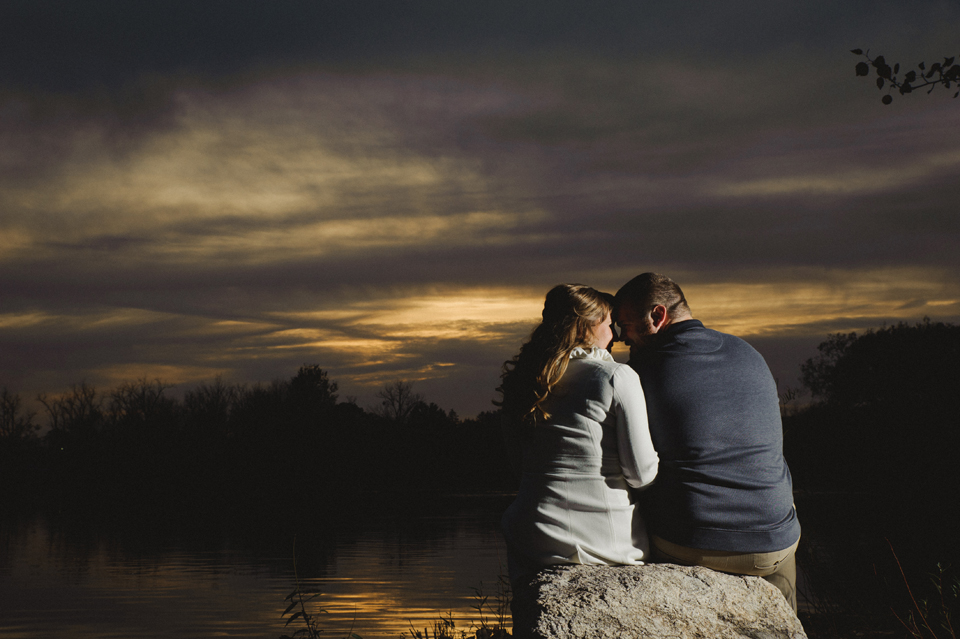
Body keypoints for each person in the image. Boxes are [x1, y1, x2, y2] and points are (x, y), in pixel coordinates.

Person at [614, 272, 801, 611]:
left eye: (624, 325)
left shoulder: (641, 370)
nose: (623, 339)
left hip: (692, 544)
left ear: (657, 316)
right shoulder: (748, 352)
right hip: (777, 542)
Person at [497, 283, 659, 589]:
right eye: (610, 325)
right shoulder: (615, 377)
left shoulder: (522, 383)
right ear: (588, 326)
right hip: (602, 541)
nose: (617, 336)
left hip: (531, 536)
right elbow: (642, 474)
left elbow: (519, 468)